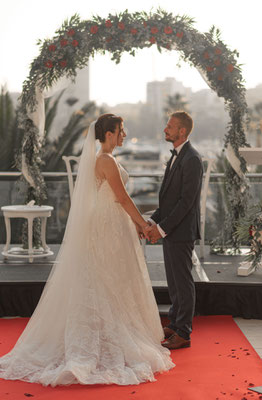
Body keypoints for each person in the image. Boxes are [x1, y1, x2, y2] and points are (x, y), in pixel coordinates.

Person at [0, 114, 174, 386]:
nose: (124, 135)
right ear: (108, 134)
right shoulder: (105, 160)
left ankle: (107, 330)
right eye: (121, 131)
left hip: (110, 224)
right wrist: (143, 223)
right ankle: (103, 339)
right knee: (107, 280)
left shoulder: (103, 159)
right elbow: (123, 197)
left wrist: (138, 225)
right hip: (108, 227)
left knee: (109, 280)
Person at [146, 111, 203, 350]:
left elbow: (185, 203)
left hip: (181, 232)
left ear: (182, 131)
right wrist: (152, 222)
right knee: (174, 282)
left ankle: (184, 333)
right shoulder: (176, 156)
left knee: (183, 281)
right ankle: (175, 322)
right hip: (171, 231)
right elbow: (168, 200)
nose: (165, 130)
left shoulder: (192, 159)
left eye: (170, 127)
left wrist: (161, 229)